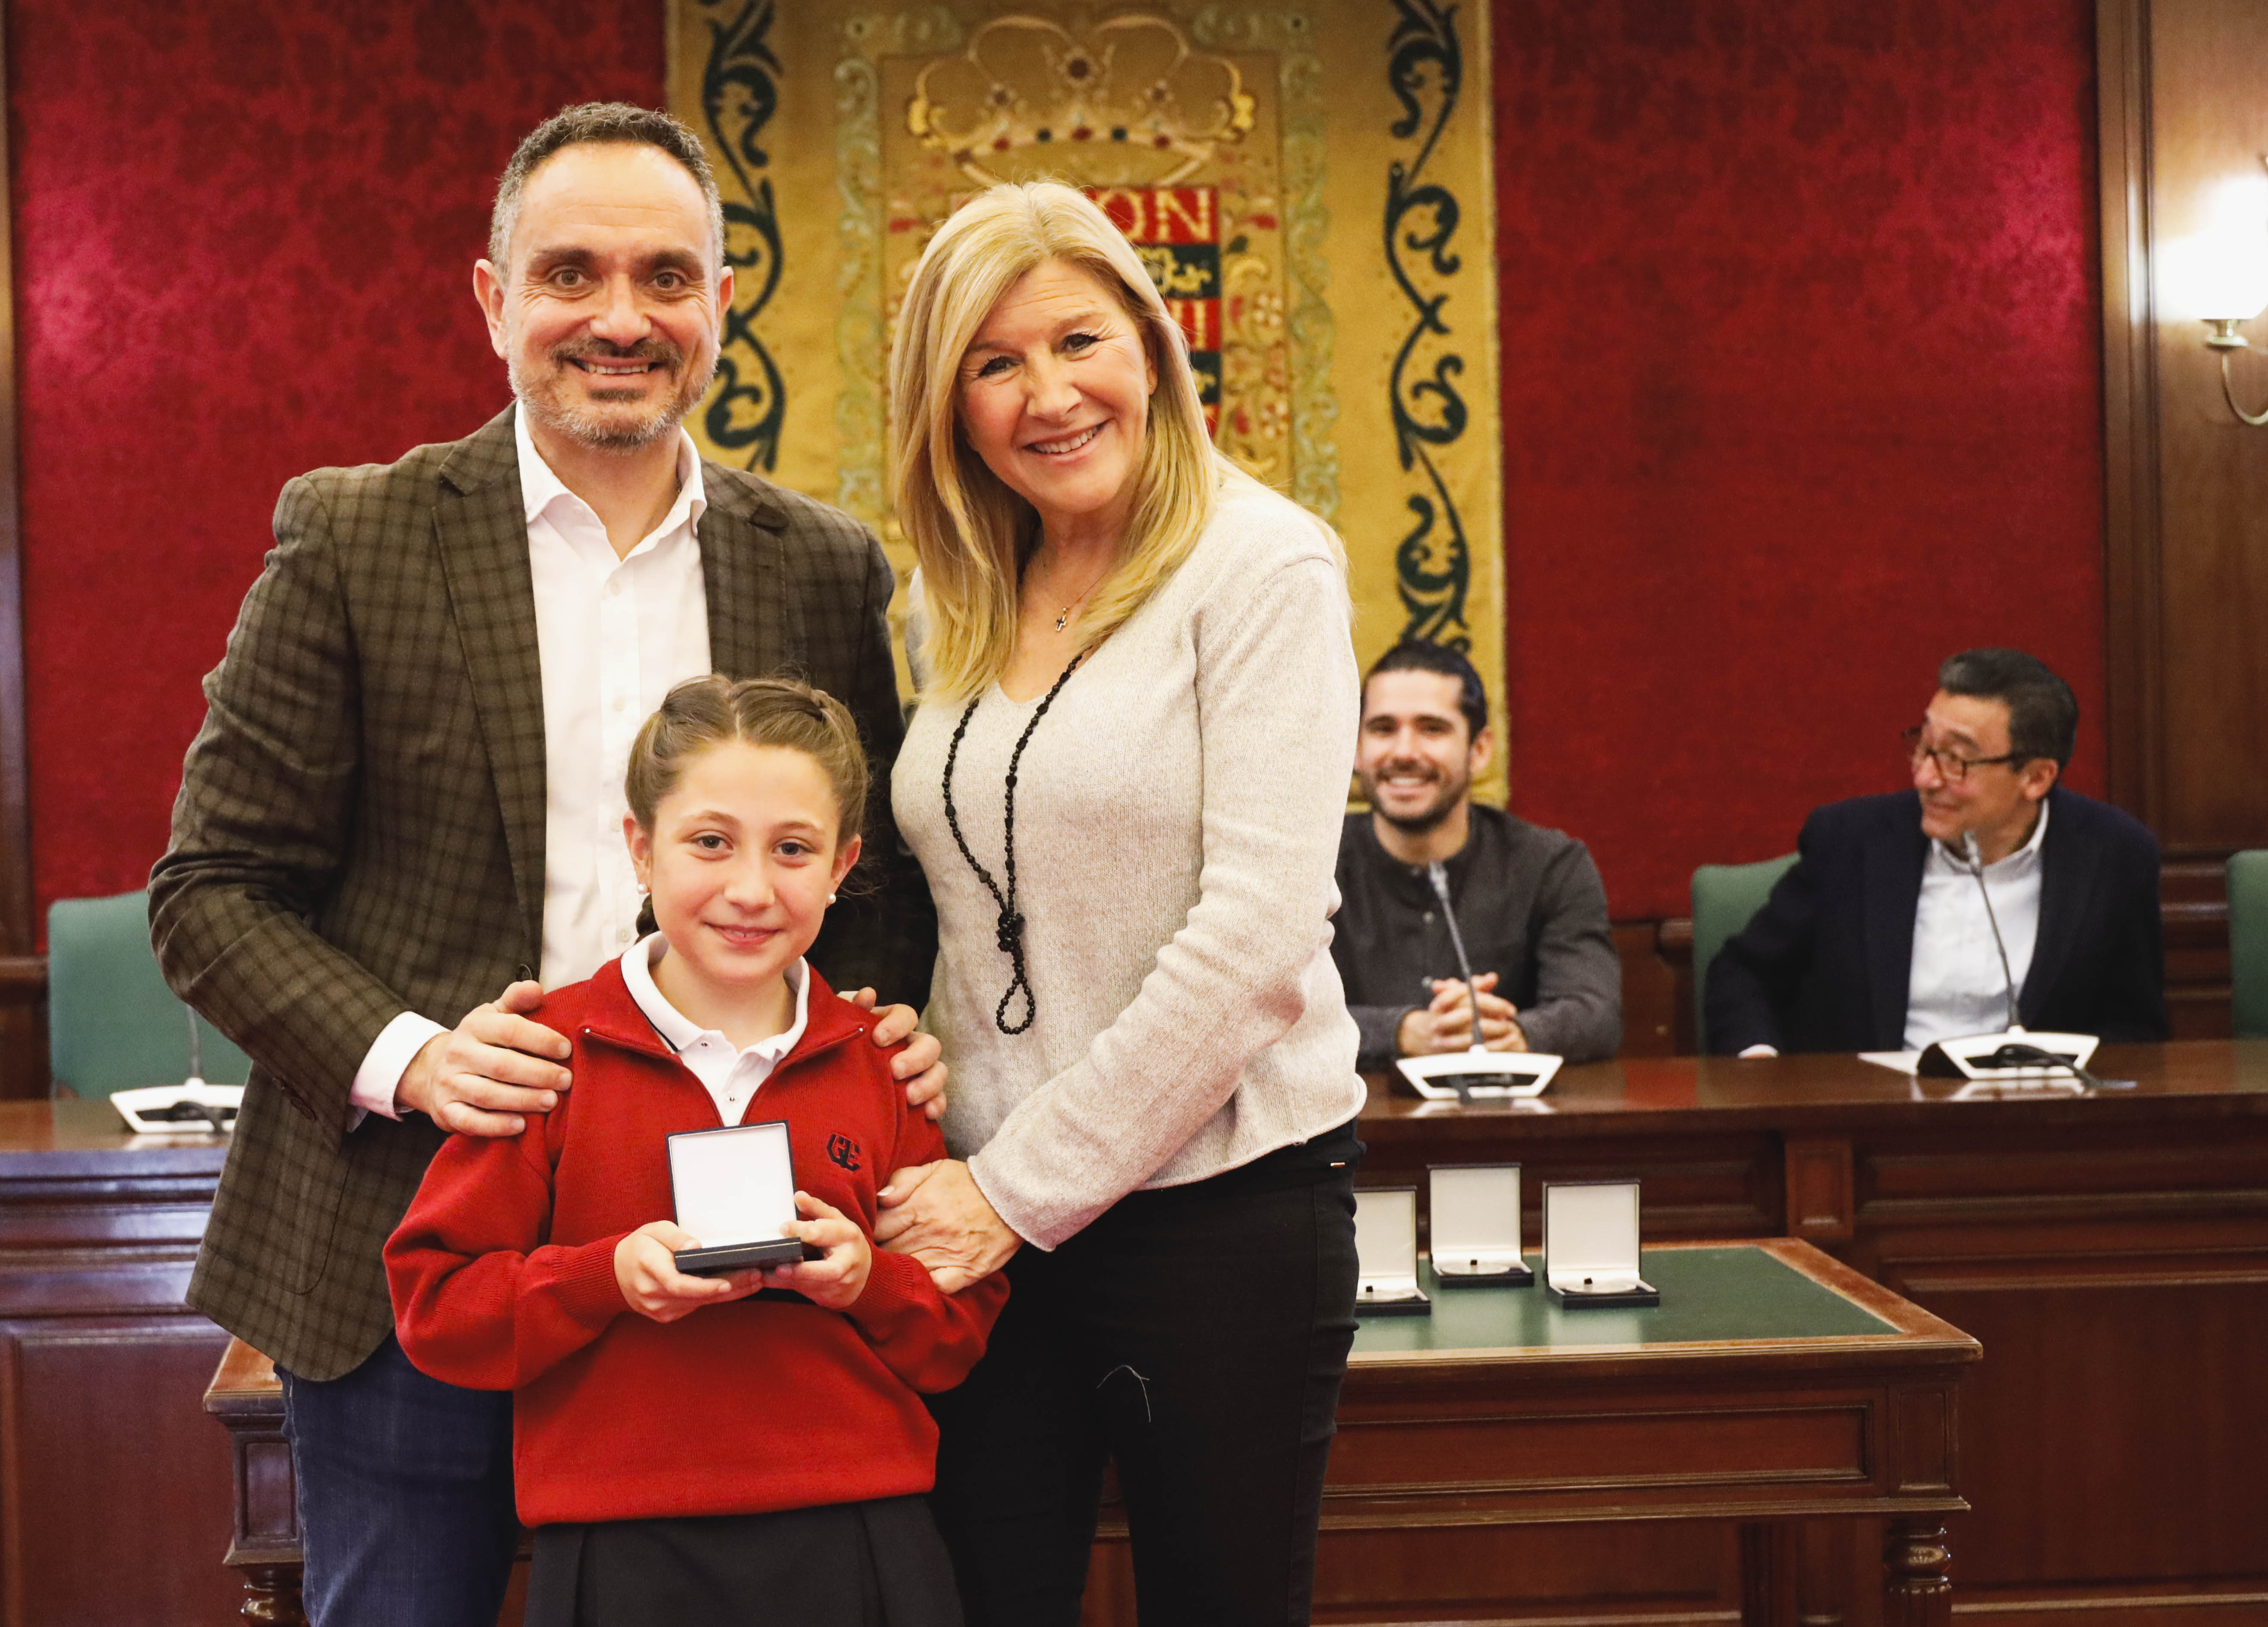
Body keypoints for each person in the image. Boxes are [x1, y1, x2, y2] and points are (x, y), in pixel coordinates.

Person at [149, 104, 942, 1627]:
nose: (620, 318)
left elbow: (876, 883)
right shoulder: (357, 535)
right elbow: (213, 892)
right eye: (571, 272)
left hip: (743, 1265)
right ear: (493, 298)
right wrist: (418, 1059)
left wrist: (880, 1025)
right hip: (410, 1239)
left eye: (665, 276)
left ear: (721, 302)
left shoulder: (819, 563)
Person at [872, 183, 1364, 1627]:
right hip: (982, 1213)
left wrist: (1014, 1192)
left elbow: (1257, 942)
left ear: (1152, 345)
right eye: (995, 361)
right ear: (949, 405)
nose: (1049, 395)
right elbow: (966, 899)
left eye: (1079, 341)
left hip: (1217, 1211)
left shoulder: (1264, 563)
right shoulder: (957, 591)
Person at [387, 676, 1004, 1627]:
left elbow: (959, 1332)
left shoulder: (884, 1063)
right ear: (640, 847)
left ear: (842, 864)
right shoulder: (545, 1057)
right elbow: (438, 1309)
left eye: (792, 849)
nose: (750, 889)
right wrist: (604, 1277)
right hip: (618, 1546)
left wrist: (866, 1281)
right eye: (710, 841)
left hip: (859, 1535)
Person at [1705, 648, 2166, 1055]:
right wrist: (1760, 1063)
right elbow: (1744, 975)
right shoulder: (1849, 841)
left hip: (2032, 1116)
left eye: (1956, 761)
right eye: (1924, 748)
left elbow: (2135, 1027)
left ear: (2036, 778)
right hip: (1870, 1111)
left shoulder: (2114, 856)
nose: (1926, 778)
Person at [1333, 639, 1621, 1072]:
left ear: (1480, 749)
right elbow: (1270, 1022)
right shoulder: (1313, 865)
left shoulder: (1550, 865)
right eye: (1383, 729)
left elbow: (1595, 1011)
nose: (1404, 751)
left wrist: (1513, 1034)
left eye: (1432, 728)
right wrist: (1402, 1032)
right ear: (1356, 749)